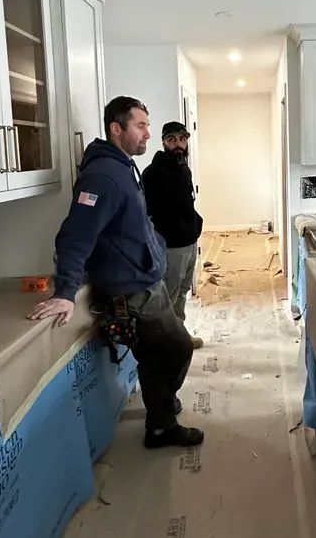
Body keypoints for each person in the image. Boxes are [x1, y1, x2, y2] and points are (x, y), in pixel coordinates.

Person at [27, 96, 204, 450]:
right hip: (132, 290)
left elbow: (132, 223)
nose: (148, 134)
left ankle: (160, 419)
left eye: (148, 126)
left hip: (145, 280)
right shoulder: (102, 176)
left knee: (159, 353)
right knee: (176, 347)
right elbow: (76, 234)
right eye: (141, 126)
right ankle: (163, 418)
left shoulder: (122, 167)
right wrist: (65, 292)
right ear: (116, 128)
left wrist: (152, 243)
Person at [141, 121, 204, 349]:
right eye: (172, 140)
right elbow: (144, 212)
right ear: (164, 143)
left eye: (182, 139)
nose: (178, 144)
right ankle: (168, 343)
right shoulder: (153, 173)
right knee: (169, 295)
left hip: (188, 241)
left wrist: (195, 226)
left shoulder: (182, 168)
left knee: (183, 291)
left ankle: (179, 335)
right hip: (171, 246)